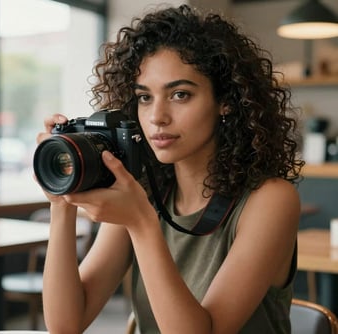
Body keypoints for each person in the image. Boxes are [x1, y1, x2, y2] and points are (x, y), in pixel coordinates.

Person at [36, 4, 304, 334]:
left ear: (226, 101)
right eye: (144, 98)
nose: (156, 116)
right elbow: (65, 325)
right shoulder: (144, 190)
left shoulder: (271, 200)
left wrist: (141, 223)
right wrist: (61, 203)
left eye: (180, 94)